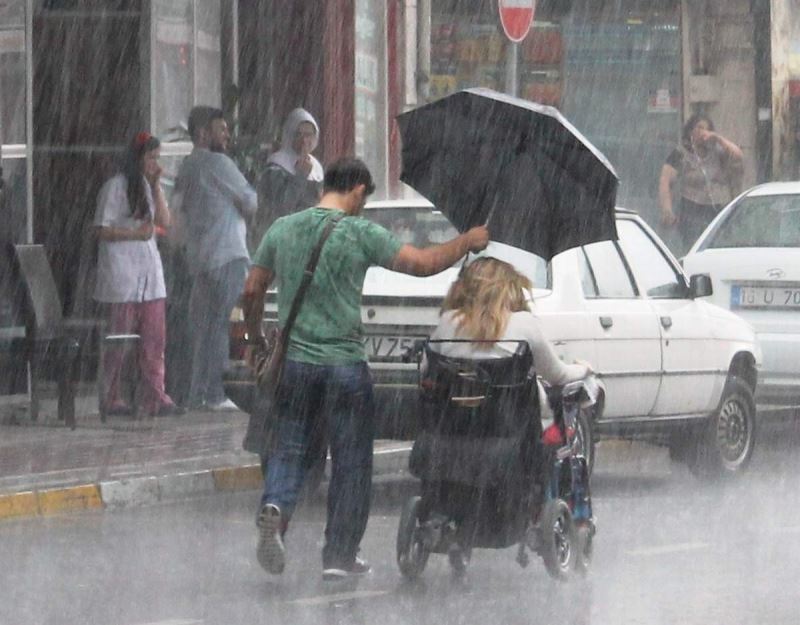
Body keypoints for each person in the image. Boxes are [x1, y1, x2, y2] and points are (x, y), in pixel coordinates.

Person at [242, 157, 489, 580]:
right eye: (364, 197)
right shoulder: (359, 232)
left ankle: (277, 507)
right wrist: (466, 241)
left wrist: (256, 339)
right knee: (352, 462)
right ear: (357, 189)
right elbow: (425, 264)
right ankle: (339, 555)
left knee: (290, 447)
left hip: (297, 365)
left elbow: (252, 289)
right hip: (345, 367)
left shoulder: (283, 228)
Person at [173, 106, 258, 411]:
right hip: (228, 253)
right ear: (203, 134)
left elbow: (178, 210)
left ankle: (200, 392)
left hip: (200, 258)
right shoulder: (218, 163)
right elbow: (250, 200)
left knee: (205, 328)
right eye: (221, 129)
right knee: (224, 324)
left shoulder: (187, 167)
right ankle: (218, 392)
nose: (227, 135)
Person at [93, 132, 182, 417]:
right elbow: (101, 229)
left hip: (149, 275)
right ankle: (112, 395)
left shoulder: (149, 186)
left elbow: (165, 221)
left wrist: (156, 187)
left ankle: (155, 395)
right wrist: (133, 233)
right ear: (137, 158)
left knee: (154, 340)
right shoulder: (115, 187)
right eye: (150, 157)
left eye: (158, 158)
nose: (155, 163)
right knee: (119, 341)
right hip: (122, 274)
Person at [659, 114, 744, 253]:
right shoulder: (681, 153)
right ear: (690, 131)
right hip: (691, 208)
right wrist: (667, 210)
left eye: (706, 129)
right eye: (698, 128)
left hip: (715, 207)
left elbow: (738, 156)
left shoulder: (717, 151)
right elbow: (665, 180)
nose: (702, 132)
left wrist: (717, 138)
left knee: (717, 247)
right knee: (694, 247)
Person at [251, 108, 324, 249]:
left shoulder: (316, 166)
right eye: (298, 134)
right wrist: (300, 176)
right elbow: (281, 208)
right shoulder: (277, 166)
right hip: (286, 242)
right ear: (289, 135)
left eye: (309, 134)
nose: (304, 140)